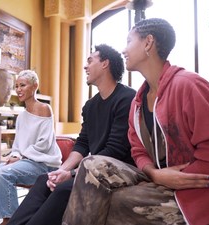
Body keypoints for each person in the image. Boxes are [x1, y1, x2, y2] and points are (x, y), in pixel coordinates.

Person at [62, 18, 209, 225]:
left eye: (129, 41)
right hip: (159, 181)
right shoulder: (138, 101)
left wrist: (179, 177)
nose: (124, 49)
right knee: (90, 164)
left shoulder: (189, 85)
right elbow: (138, 150)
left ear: (148, 43)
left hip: (199, 192)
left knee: (117, 201)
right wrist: (155, 175)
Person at [7, 44, 137, 225]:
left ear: (105, 64)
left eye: (90, 61)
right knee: (44, 180)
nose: (85, 66)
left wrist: (73, 174)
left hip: (116, 168)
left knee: (63, 189)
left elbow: (114, 150)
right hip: (92, 167)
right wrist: (62, 170)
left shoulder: (127, 98)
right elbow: (82, 144)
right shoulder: (90, 105)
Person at [0, 69, 62, 225]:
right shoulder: (21, 116)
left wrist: (21, 156)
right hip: (28, 161)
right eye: (16, 86)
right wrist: (15, 154)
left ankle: (12, 220)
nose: (19, 89)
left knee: (3, 173)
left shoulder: (44, 109)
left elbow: (44, 143)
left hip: (44, 165)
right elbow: (18, 145)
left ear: (34, 86)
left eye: (23, 85)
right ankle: (5, 215)